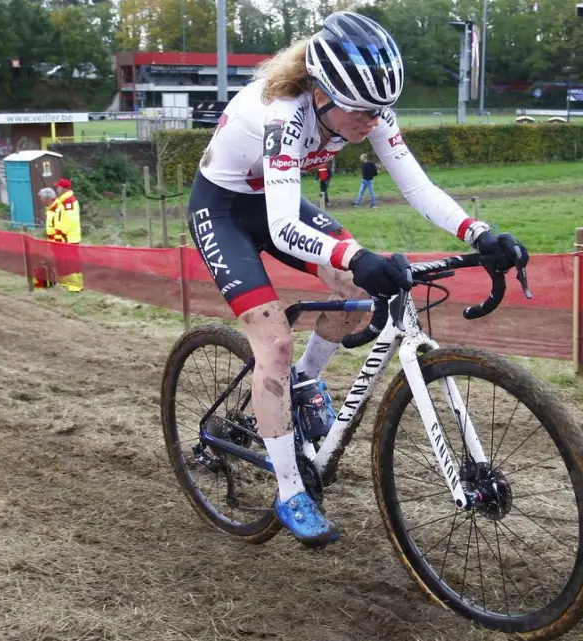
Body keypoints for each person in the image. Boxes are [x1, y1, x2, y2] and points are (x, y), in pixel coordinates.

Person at [188, 11, 528, 545]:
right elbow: (281, 227)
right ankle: (289, 489)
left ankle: (305, 379)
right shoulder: (282, 116)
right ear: (320, 92)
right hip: (224, 211)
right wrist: (355, 257)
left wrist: (479, 232)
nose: (373, 121)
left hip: (275, 201)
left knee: (363, 289)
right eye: (363, 111)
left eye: (382, 110)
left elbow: (417, 188)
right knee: (273, 342)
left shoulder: (369, 111)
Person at [47, 179, 83, 292]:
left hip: (69, 238)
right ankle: (68, 283)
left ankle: (75, 286)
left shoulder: (68, 202)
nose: (56, 189)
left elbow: (70, 221)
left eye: (58, 187)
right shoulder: (62, 201)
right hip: (64, 237)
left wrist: (62, 234)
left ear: (64, 189)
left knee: (71, 261)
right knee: (66, 261)